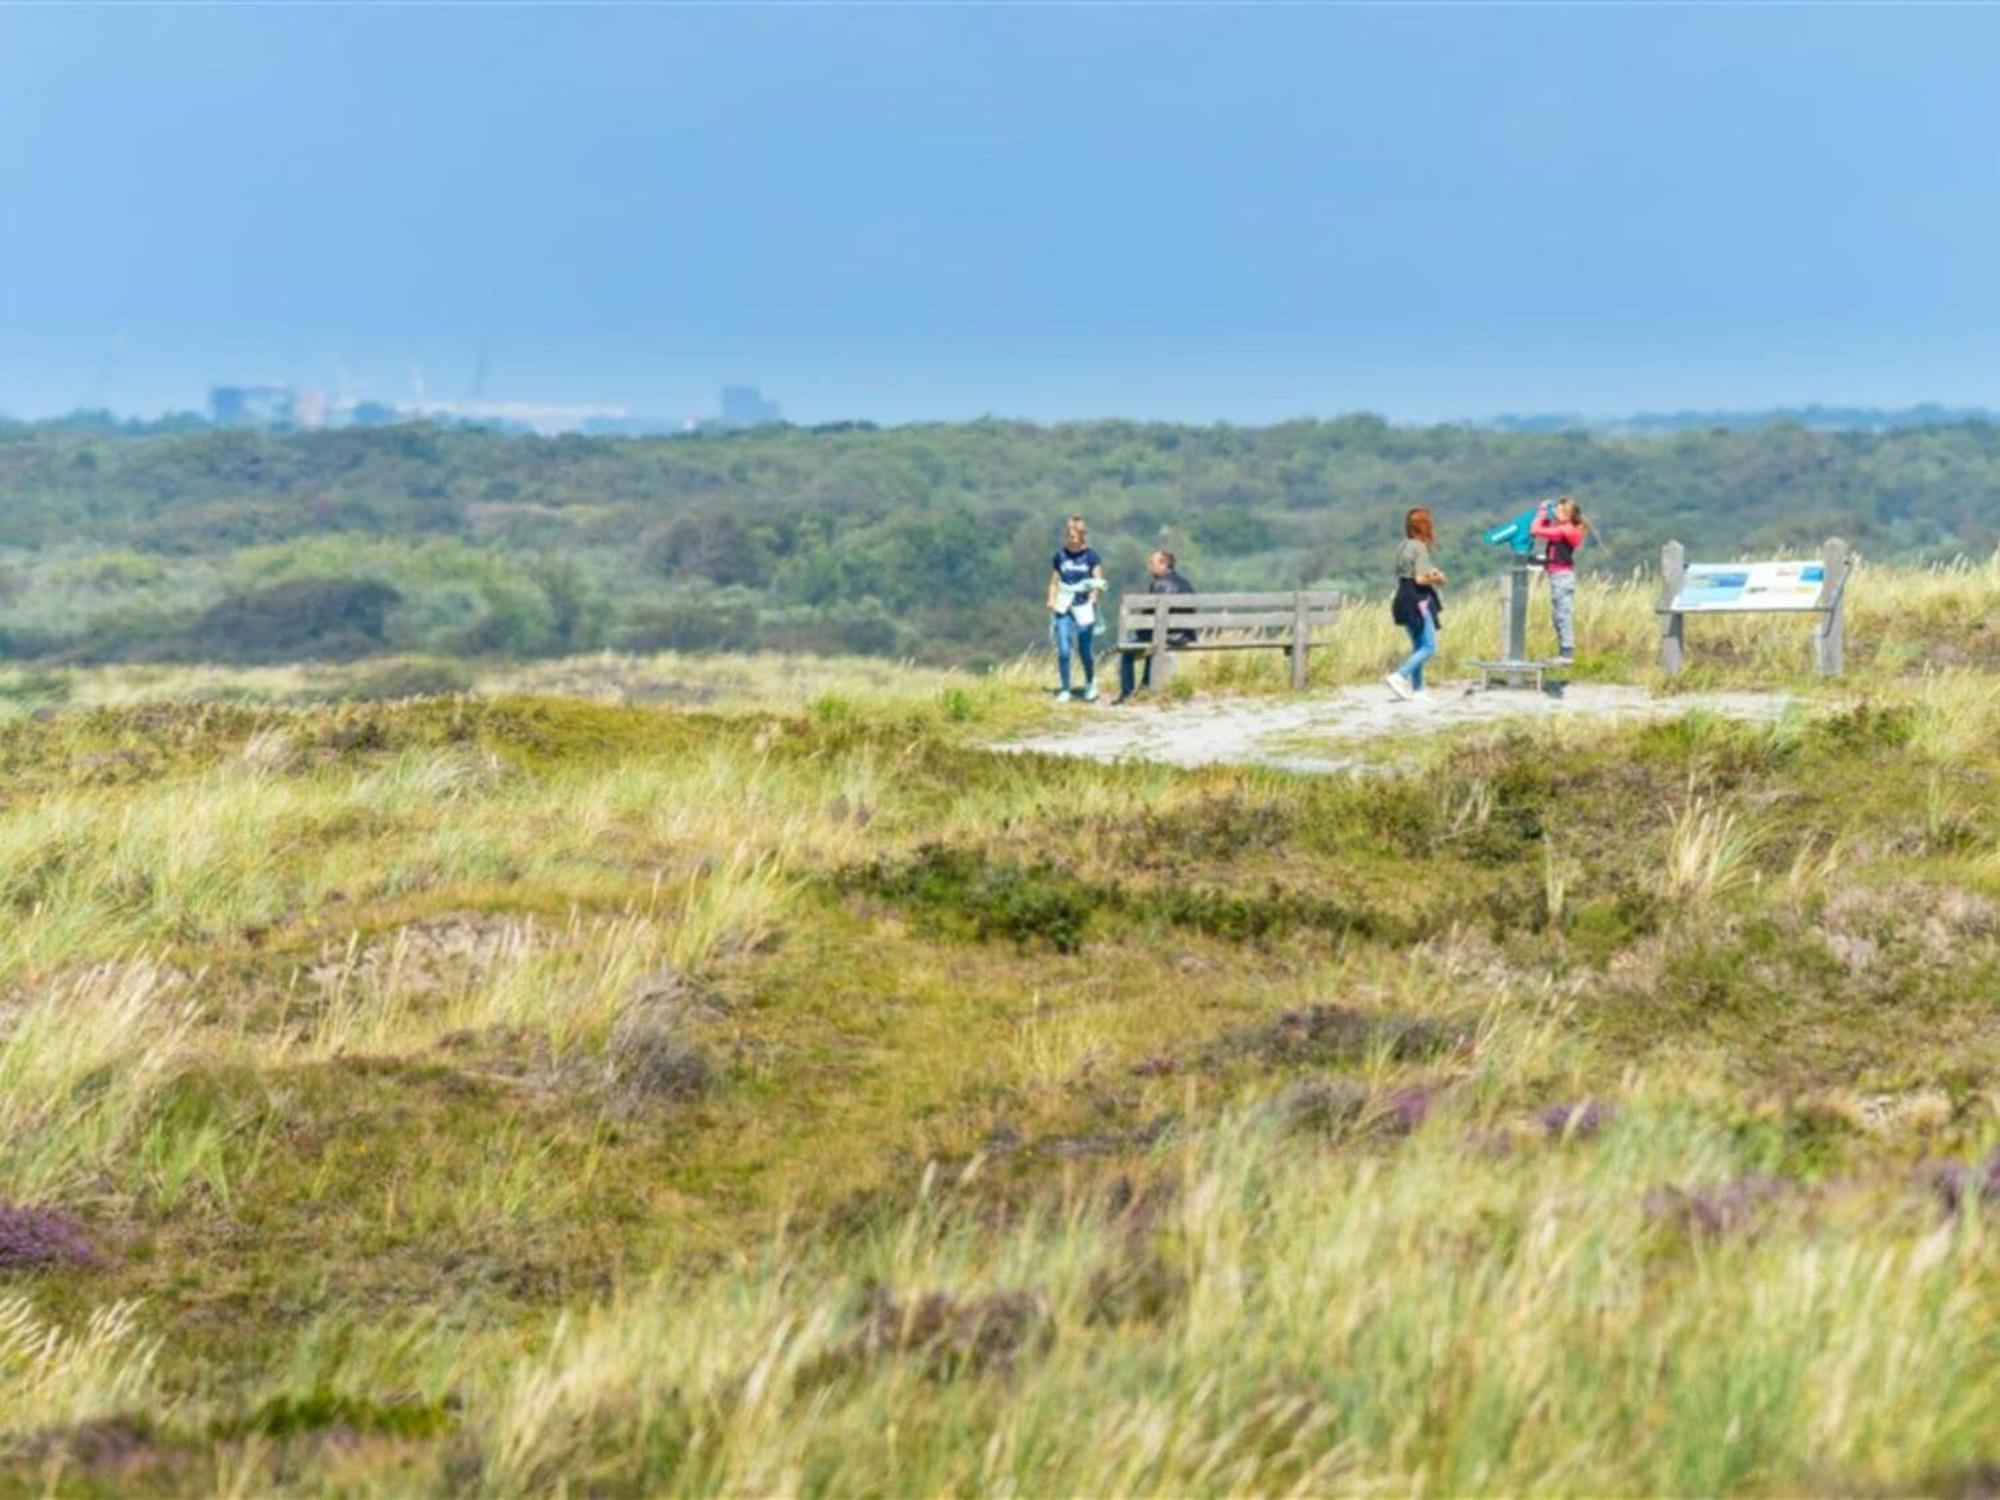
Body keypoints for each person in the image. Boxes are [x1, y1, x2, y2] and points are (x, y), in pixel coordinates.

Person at [1114, 549, 1195, 703]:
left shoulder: (1159, 584)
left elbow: (1148, 616)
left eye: (1152, 562)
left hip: (1165, 636)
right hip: (1183, 635)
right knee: (1151, 645)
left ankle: (1127, 693)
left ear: (1164, 564)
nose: (1149, 566)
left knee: (1127, 651)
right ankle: (1145, 687)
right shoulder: (1185, 584)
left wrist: (1139, 632)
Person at [1386, 507, 1445, 701]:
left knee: (1418, 645)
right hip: (1417, 599)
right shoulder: (1419, 547)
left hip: (1402, 596)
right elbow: (1420, 579)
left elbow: (1409, 571)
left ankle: (1419, 690)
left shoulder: (1403, 545)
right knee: (1429, 647)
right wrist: (1437, 579)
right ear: (1424, 526)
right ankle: (1400, 675)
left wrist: (1431, 571)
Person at [1047, 514, 1106, 702]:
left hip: (1083, 605)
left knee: (1084, 649)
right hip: (1064, 606)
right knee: (1064, 649)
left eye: (1075, 536)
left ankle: (1090, 682)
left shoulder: (1091, 555)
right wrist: (1051, 598)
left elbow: (1098, 580)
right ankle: (1066, 688)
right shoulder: (1060, 556)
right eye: (1069, 536)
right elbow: (1054, 581)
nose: (1071, 540)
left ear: (1081, 536)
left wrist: (1094, 594)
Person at [1530, 494, 1588, 664]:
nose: (1555, 512)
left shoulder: (1565, 530)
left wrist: (1541, 513)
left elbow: (1535, 531)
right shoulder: (1565, 528)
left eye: (1559, 510)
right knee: (1558, 615)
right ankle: (1564, 651)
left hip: (1562, 577)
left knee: (1562, 615)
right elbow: (1547, 530)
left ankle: (1567, 654)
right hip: (1559, 575)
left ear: (1567, 514)